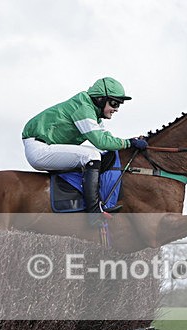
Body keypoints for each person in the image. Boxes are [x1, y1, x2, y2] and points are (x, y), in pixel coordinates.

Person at [21, 77, 148, 222]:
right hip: (39, 149)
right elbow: (101, 141)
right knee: (92, 156)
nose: (116, 109)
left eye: (119, 104)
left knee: (99, 156)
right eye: (114, 103)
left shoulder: (91, 112)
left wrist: (130, 141)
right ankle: (94, 213)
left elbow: (108, 139)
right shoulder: (83, 107)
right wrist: (129, 143)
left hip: (47, 145)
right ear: (100, 99)